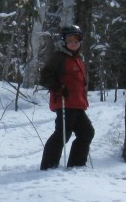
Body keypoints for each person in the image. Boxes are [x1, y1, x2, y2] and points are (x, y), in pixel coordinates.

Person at [39, 25, 95, 169]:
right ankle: (49, 165)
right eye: (70, 40)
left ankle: (77, 164)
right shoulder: (59, 58)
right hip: (65, 102)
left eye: (77, 40)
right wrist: (58, 87)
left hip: (77, 104)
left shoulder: (77, 59)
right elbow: (45, 76)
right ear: (64, 41)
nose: (74, 43)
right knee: (63, 134)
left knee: (87, 132)